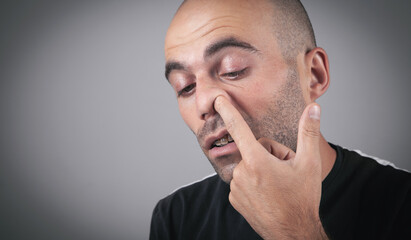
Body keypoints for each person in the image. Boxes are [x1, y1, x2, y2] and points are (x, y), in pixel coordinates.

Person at [150, 0, 411, 239]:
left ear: (314, 75)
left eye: (233, 70)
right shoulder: (177, 216)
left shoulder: (400, 201)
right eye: (185, 87)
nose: (203, 103)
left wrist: (295, 230)